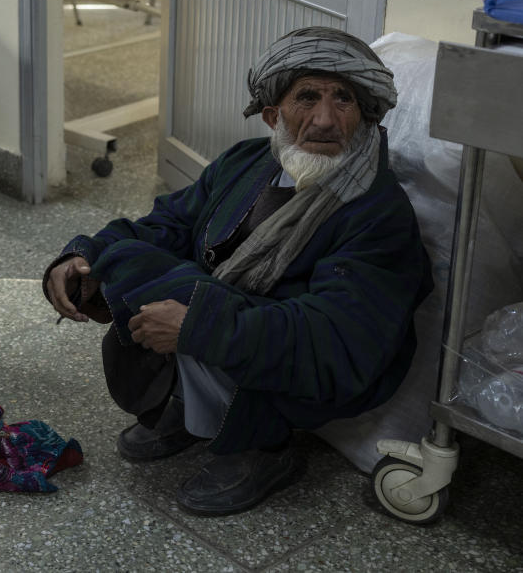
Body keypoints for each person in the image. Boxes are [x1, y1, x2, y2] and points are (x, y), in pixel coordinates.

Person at [42, 26, 433, 516]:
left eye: (345, 100)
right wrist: (84, 256)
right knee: (132, 267)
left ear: (365, 116)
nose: (325, 118)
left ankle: (264, 449)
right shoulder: (247, 163)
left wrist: (199, 325)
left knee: (169, 287)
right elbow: (169, 225)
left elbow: (339, 341)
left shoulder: (378, 212)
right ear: (274, 115)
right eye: (306, 97)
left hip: (311, 364)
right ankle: (189, 402)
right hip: (233, 321)